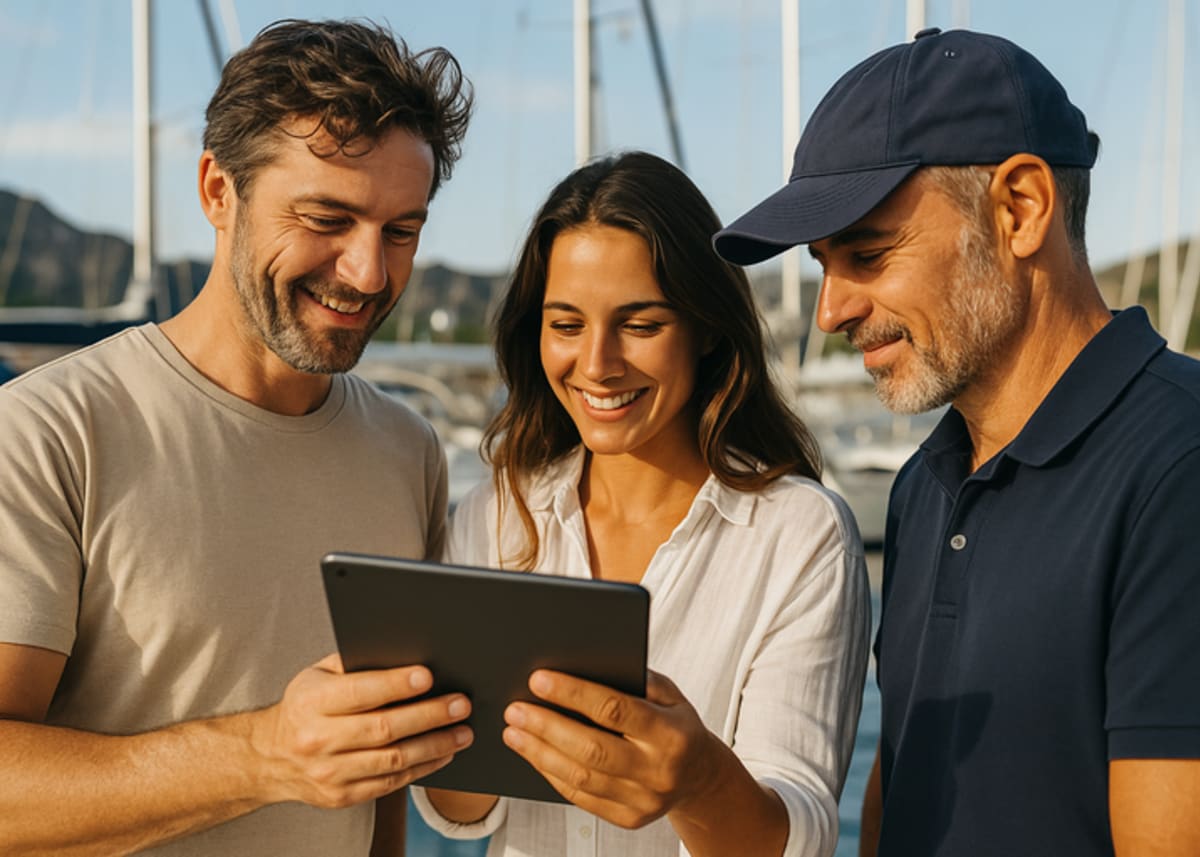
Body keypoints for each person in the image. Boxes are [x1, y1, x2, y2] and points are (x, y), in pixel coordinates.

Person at [713, 26, 1200, 857]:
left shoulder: (1178, 465)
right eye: (823, 263)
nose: (830, 311)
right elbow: (898, 789)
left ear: (1020, 209)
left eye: (868, 253)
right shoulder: (923, 484)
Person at [0, 19, 476, 856]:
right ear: (219, 191)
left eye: (401, 231)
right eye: (327, 217)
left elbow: (382, 779)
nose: (369, 272)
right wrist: (264, 755)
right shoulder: (47, 432)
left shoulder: (409, 449)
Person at [409, 150, 871, 857]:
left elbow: (797, 836)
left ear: (706, 326)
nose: (597, 365)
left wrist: (698, 780)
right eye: (566, 325)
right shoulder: (496, 512)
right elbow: (456, 811)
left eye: (641, 324)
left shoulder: (800, 533)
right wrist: (436, 728)